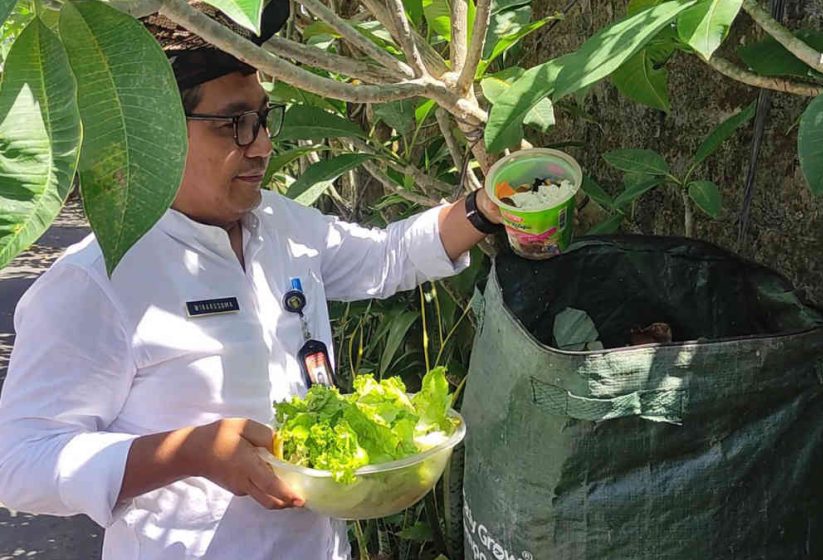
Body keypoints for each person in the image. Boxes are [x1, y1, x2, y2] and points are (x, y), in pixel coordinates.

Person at [0, 10, 503, 560]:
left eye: (264, 119)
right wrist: (188, 452)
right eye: (234, 124)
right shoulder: (96, 282)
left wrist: (485, 206)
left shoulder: (281, 225)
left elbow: (388, 257)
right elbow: (21, 463)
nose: (262, 146)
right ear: (159, 132)